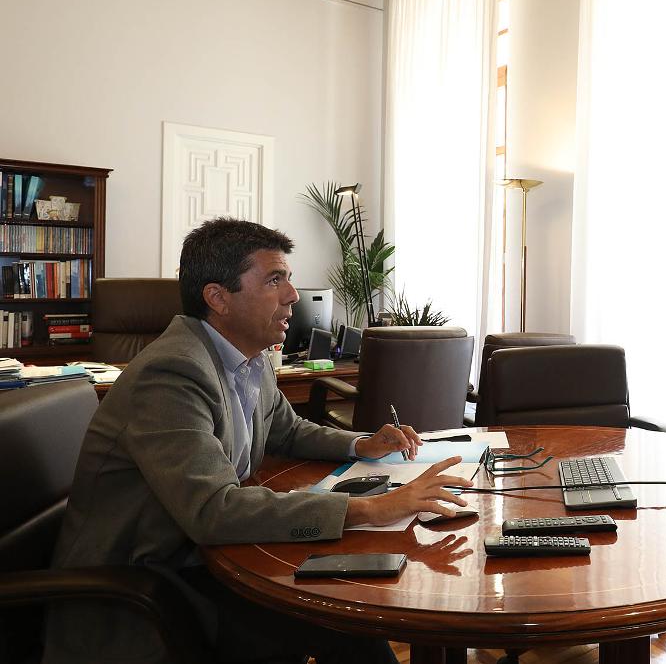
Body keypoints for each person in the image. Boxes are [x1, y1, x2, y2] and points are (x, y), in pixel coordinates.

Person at [45, 218, 474, 664]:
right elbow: (214, 511)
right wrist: (372, 508)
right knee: (336, 617)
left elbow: (287, 429)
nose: (292, 295)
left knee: (347, 616)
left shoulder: (249, 356)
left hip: (205, 558)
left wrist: (361, 445)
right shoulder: (171, 375)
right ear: (218, 298)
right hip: (146, 586)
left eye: (288, 279)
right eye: (275, 280)